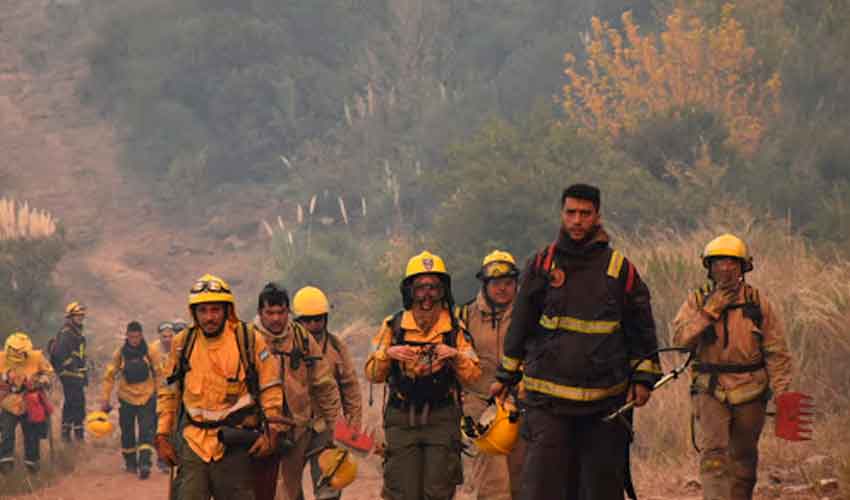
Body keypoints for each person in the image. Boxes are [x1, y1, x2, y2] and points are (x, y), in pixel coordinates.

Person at [492, 184, 662, 500]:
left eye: (585, 213)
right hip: (547, 403)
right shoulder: (541, 265)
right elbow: (521, 325)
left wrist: (643, 378)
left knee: (599, 491)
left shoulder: (619, 270)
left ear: (597, 216)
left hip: (605, 405)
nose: (577, 221)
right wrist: (505, 376)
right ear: (562, 214)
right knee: (543, 489)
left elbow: (641, 329)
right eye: (571, 213)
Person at [672, 234, 793, 500]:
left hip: (751, 389)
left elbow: (776, 351)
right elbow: (679, 341)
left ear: (743, 268)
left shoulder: (757, 302)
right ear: (709, 268)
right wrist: (708, 313)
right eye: (718, 263)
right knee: (713, 456)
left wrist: (782, 392)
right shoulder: (697, 300)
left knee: (744, 460)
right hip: (709, 389)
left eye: (731, 263)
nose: (725, 269)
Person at [155, 274, 285, 500]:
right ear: (193, 313)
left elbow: (270, 387)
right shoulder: (182, 344)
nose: (209, 317)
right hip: (193, 441)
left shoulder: (248, 340)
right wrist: (162, 436)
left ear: (227, 310)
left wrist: (272, 432)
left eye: (215, 310)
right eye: (203, 311)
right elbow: (169, 394)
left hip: (235, 441)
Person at [366, 251, 481, 500]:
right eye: (420, 288)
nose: (427, 296)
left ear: (443, 291)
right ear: (409, 291)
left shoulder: (454, 328)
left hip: (442, 417)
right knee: (401, 491)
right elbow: (371, 373)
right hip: (401, 417)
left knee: (438, 491)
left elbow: (473, 374)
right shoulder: (392, 326)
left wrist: (455, 356)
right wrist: (389, 353)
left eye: (433, 288)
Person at [251, 282, 341, 500]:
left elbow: (324, 384)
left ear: (288, 312)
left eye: (281, 312)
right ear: (260, 313)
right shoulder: (248, 339)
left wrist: (334, 427)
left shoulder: (301, 338)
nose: (275, 319)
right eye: (269, 312)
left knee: (288, 491)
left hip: (297, 430)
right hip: (258, 432)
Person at [457, 250, 525, 500]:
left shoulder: (528, 315)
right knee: (492, 486)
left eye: (509, 283)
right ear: (485, 284)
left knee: (524, 481)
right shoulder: (465, 316)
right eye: (496, 283)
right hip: (481, 409)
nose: (503, 289)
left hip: (521, 405)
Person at [292, 286, 363, 500]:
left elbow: (350, 388)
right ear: (297, 321)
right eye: (308, 320)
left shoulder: (336, 347)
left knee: (328, 488)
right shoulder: (287, 347)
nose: (314, 325)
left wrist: (352, 427)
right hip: (293, 428)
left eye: (318, 319)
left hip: (326, 427)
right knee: (287, 489)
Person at [101, 321, 162, 479]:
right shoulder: (120, 353)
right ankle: (130, 463)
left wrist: (159, 393)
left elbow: (159, 374)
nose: (134, 340)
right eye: (131, 337)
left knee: (145, 432)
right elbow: (109, 377)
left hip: (146, 397)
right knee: (127, 432)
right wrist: (105, 399)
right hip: (126, 398)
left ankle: (144, 464)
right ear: (127, 336)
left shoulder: (150, 352)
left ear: (141, 336)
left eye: (137, 336)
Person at [0, 332, 53, 473]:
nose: (18, 354)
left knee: (31, 436)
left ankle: (32, 467)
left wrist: (40, 380)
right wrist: (5, 378)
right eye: (15, 351)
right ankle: (5, 468)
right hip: (8, 403)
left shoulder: (36, 357)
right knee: (6, 434)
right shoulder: (1, 358)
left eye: (21, 352)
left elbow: (48, 373)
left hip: (30, 404)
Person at [53, 301, 89, 442]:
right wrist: (71, 367)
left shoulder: (76, 332)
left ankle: (67, 435)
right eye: (77, 315)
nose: (80, 318)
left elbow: (80, 355)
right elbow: (61, 354)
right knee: (77, 403)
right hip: (69, 375)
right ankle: (75, 436)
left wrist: (83, 371)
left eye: (82, 315)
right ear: (70, 316)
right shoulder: (66, 332)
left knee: (72, 403)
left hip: (76, 374)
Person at [150, 320, 177, 472]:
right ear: (159, 336)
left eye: (170, 336)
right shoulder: (152, 350)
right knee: (161, 430)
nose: (167, 339)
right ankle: (161, 460)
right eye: (164, 336)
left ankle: (174, 458)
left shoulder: (179, 347)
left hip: (177, 396)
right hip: (158, 396)